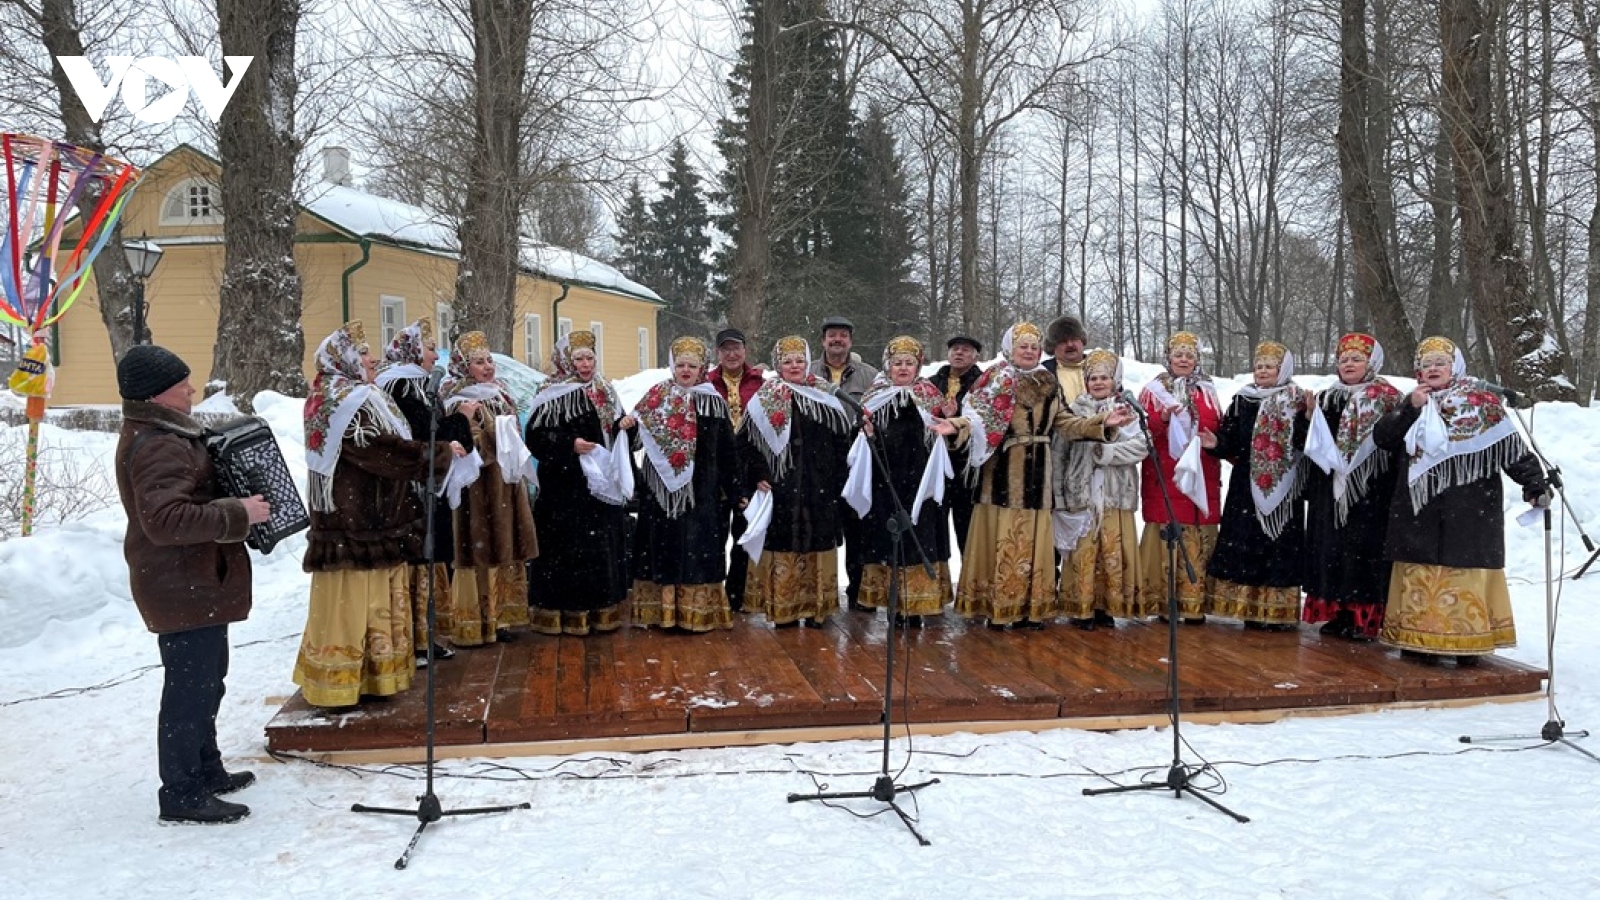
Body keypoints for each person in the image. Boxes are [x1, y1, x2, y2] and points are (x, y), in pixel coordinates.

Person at [115, 344, 270, 824]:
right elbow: (164, 520)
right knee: (189, 690)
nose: (192, 389)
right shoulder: (159, 442)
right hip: (180, 583)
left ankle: (207, 769)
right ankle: (181, 792)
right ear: (159, 394)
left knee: (207, 682)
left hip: (195, 581)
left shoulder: (168, 433)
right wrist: (237, 513)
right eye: (183, 384)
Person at [294, 321, 464, 708]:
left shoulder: (350, 394)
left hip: (370, 514)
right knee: (356, 602)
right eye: (365, 352)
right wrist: (432, 455)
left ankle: (368, 677)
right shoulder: (343, 400)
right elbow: (374, 449)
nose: (373, 359)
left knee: (370, 601)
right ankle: (341, 682)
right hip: (356, 517)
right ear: (347, 360)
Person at [933, 322, 1132, 628]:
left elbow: (1066, 422)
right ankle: (1000, 607)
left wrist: (1102, 423)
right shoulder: (995, 380)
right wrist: (955, 427)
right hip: (1002, 472)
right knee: (1006, 538)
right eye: (1023, 345)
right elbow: (976, 419)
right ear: (1010, 348)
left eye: (1034, 346)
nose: (1029, 351)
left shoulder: (1047, 381)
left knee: (1034, 541)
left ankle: (1029, 608)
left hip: (1039, 471)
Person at [1373, 336, 1547, 665]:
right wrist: (1410, 409)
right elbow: (1383, 439)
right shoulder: (1412, 402)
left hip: (1470, 509)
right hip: (1419, 510)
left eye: (1441, 363)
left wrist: (1534, 484)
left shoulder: (1481, 402)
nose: (1433, 369)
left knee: (1464, 572)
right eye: (1426, 364)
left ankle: (1468, 643)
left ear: (1456, 367)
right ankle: (1417, 640)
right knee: (1420, 572)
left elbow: (1510, 449)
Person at [631, 337, 748, 631]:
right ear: (672, 367)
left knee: (697, 549)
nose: (685, 371)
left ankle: (695, 614)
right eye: (680, 365)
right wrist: (626, 428)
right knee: (663, 546)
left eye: (691, 366)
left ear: (702, 368)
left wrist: (735, 491)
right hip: (659, 492)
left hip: (702, 490)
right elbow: (635, 437)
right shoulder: (656, 397)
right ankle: (663, 613)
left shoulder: (712, 401)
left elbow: (727, 451)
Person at [525, 330, 636, 634]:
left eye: (590, 358)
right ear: (565, 360)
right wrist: (568, 445)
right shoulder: (550, 391)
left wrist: (626, 427)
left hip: (600, 488)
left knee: (599, 547)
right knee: (567, 549)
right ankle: (563, 613)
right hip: (565, 488)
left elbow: (615, 431)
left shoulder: (603, 390)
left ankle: (601, 610)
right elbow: (535, 437)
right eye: (578, 359)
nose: (585, 365)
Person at [742, 335, 854, 626]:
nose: (794, 366)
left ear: (808, 362)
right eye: (787, 361)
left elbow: (842, 442)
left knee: (818, 544)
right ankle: (785, 608)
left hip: (821, 486)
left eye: (799, 360)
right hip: (782, 486)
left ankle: (818, 608)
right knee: (784, 546)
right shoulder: (765, 397)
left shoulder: (826, 393)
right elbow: (748, 444)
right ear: (778, 365)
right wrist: (758, 475)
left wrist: (837, 479)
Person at [1300, 333, 1403, 641]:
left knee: (1363, 552)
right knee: (1331, 550)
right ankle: (1337, 612)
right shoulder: (1328, 397)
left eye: (1356, 359)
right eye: (1344, 359)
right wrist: (1307, 418)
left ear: (1371, 363)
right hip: (1330, 487)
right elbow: (1310, 444)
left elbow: (1394, 442)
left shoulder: (1388, 397)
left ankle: (1364, 618)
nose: (1349, 365)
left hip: (1371, 489)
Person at [439, 331, 540, 646]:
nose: (487, 367)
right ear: (464, 365)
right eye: (479, 362)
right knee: (478, 546)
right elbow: (463, 444)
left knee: (506, 543)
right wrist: (496, 436)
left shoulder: (501, 391)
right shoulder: (456, 396)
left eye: (489, 360)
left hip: (506, 480)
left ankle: (503, 617)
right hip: (478, 486)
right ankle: (476, 621)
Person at [374, 318, 465, 664]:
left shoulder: (416, 383)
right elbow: (422, 432)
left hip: (425, 483)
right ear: (413, 351)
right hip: (413, 488)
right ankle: (416, 637)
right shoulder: (403, 385)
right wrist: (455, 424)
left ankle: (424, 635)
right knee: (419, 558)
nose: (434, 356)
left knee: (428, 558)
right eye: (429, 348)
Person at [1204, 341, 1311, 630]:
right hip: (1245, 484)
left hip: (1285, 483)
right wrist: (1216, 444)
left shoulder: (1297, 399)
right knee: (1246, 542)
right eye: (1258, 366)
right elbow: (1232, 439)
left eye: (1269, 367)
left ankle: (1277, 612)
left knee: (1278, 545)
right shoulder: (1243, 399)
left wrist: (1310, 420)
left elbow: (1306, 444)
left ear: (1283, 369)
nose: (1262, 371)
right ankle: (1248, 607)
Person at [849, 336, 955, 625]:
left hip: (922, 481)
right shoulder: (875, 396)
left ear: (918, 366)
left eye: (910, 363)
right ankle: (894, 606)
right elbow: (862, 442)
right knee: (889, 539)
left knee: (921, 536)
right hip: (887, 481)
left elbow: (946, 439)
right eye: (898, 363)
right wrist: (868, 433)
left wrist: (949, 419)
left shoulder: (931, 395)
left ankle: (918, 605)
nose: (904, 368)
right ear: (888, 366)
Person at [1056, 349, 1147, 629]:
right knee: (1084, 550)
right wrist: (1059, 494)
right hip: (1081, 491)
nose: (1097, 383)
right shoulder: (1075, 410)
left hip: (1114, 493)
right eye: (1092, 378)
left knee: (1111, 550)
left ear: (1114, 379)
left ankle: (1106, 606)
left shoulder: (1127, 409)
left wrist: (1107, 454)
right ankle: (1081, 607)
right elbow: (1060, 452)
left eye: (1104, 378)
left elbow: (1142, 446)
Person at [1136, 331, 1223, 622]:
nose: (1184, 360)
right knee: (1168, 535)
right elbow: (1139, 431)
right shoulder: (1153, 391)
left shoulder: (1208, 391)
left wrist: (1217, 441)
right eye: (1178, 355)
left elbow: (1218, 427)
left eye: (1190, 355)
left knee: (1198, 535)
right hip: (1165, 474)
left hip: (1203, 473)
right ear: (1168, 358)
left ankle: (1194, 602)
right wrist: (1160, 421)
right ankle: (1165, 601)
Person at [809, 316, 879, 610]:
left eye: (842, 336)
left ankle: (858, 590)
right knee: (821, 527)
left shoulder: (869, 375)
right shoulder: (809, 371)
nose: (837, 340)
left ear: (851, 341)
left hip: (855, 458)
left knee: (858, 527)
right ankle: (818, 592)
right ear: (823, 340)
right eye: (831, 336)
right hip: (818, 460)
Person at [705, 327, 765, 612]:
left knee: (745, 532)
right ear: (718, 353)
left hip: (749, 465)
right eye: (725, 349)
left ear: (745, 351)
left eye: (736, 348)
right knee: (714, 533)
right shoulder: (707, 384)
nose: (731, 354)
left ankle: (737, 593)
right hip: (716, 467)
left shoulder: (760, 384)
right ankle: (713, 591)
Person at [931, 335, 984, 553]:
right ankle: (940, 579)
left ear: (975, 356)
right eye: (955, 349)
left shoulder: (983, 384)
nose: (959, 353)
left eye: (965, 350)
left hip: (968, 466)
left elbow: (983, 420)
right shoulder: (934, 382)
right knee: (936, 525)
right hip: (937, 462)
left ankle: (970, 579)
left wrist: (956, 416)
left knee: (968, 528)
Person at [1042, 315, 1088, 405]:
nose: (1070, 344)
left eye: (1074, 339)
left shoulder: (1101, 366)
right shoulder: (1042, 373)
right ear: (1052, 347)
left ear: (1082, 340)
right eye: (1063, 341)